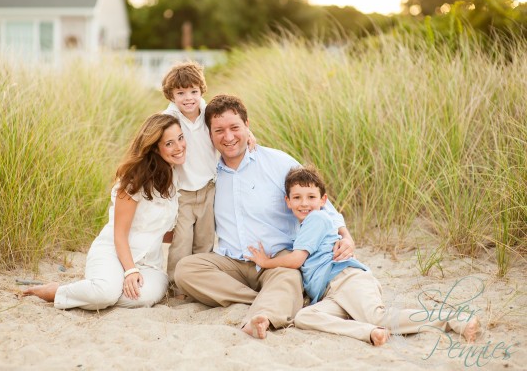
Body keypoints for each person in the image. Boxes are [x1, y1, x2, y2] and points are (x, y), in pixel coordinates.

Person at [174, 94, 355, 339]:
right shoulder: (207, 171)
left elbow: (317, 201)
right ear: (210, 134)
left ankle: (266, 314)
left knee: (289, 276)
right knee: (185, 270)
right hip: (233, 263)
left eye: (235, 128)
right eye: (219, 130)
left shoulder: (277, 162)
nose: (228, 137)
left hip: (277, 257)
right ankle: (263, 299)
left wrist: (345, 235)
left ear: (247, 126)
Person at [246, 165, 481, 346]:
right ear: (287, 201)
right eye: (297, 197)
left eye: (311, 197)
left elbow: (297, 259)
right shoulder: (304, 227)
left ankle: (454, 319)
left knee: (379, 316)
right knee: (305, 318)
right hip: (332, 294)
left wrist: (266, 262)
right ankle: (367, 333)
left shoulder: (317, 218)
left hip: (347, 279)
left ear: (323, 201)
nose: (304, 203)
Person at [24, 113, 185, 310]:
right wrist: (130, 271)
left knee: (141, 298)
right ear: (154, 148)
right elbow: (119, 235)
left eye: (180, 138)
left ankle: (96, 290)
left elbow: (161, 231)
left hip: (150, 265)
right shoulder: (134, 181)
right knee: (105, 293)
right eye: (169, 143)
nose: (179, 147)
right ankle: (58, 290)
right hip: (114, 252)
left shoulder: (176, 179)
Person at [161, 62, 256, 297]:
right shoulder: (168, 118)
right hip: (182, 191)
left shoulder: (207, 113)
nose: (188, 98)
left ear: (201, 91)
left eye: (193, 91)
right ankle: (176, 286)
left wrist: (250, 133)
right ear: (171, 95)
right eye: (180, 93)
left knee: (204, 240)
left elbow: (228, 125)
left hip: (209, 187)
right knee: (181, 241)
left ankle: (198, 283)